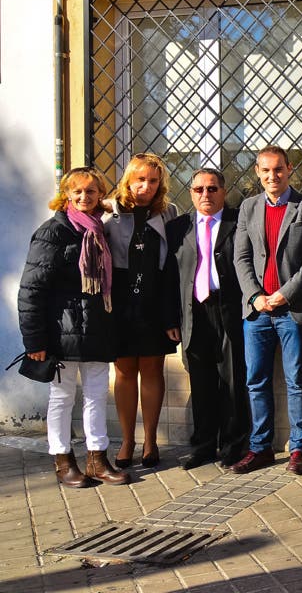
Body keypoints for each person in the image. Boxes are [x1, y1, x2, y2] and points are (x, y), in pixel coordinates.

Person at [18, 167, 129, 487]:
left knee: (96, 396)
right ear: (66, 194)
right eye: (77, 191)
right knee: (62, 396)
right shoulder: (54, 231)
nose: (84, 197)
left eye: (91, 191)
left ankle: (97, 459)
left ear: (100, 195)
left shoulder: (98, 230)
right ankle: (63, 460)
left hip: (96, 330)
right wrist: (34, 340)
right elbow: (31, 289)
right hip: (61, 332)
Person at [232, 145, 302, 475]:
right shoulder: (248, 207)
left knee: (296, 380)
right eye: (266, 170)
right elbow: (240, 258)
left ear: (289, 169)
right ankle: (260, 448)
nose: (273, 176)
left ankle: (299, 448)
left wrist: (284, 294)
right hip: (256, 312)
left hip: (291, 309)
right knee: (256, 381)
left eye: (278, 169)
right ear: (257, 172)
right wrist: (255, 296)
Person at [167, 168, 250, 470]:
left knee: (232, 380)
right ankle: (202, 445)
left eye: (212, 189)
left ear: (223, 192)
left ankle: (233, 445)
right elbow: (169, 276)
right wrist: (171, 319)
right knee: (200, 382)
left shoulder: (238, 221)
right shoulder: (178, 227)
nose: (205, 195)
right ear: (190, 193)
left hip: (228, 309)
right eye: (199, 189)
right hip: (193, 312)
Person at [104, 153, 180, 470]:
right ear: (129, 180)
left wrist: (171, 314)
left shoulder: (169, 212)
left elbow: (174, 264)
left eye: (152, 180)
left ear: (159, 184)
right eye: (140, 180)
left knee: (151, 369)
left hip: (154, 297)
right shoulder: (110, 213)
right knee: (123, 371)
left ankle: (150, 441)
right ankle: (126, 440)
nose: (145, 186)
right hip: (120, 299)